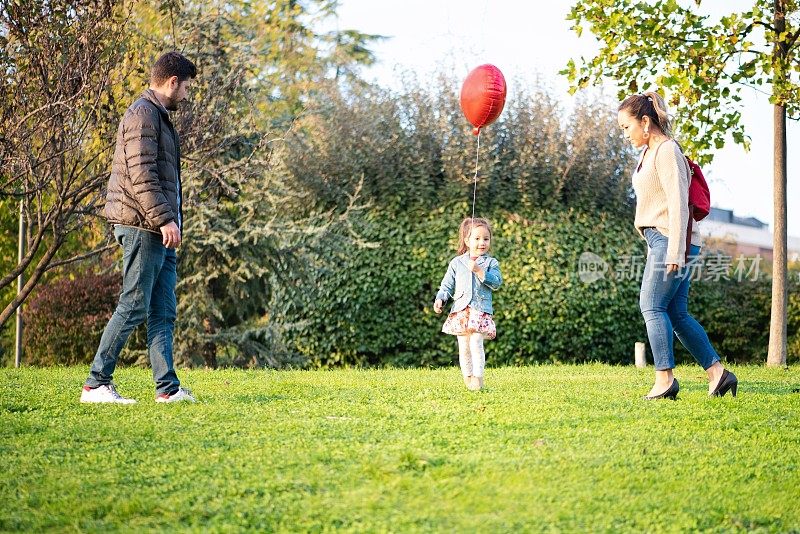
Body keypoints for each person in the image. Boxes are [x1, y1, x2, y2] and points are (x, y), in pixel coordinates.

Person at [80, 52, 198, 404]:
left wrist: (169, 221)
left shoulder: (158, 117)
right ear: (173, 82)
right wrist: (164, 219)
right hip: (144, 225)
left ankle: (168, 388)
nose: (188, 95)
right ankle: (96, 384)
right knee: (133, 303)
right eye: (187, 87)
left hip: (159, 227)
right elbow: (141, 174)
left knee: (163, 310)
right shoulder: (143, 115)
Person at [618, 91, 738, 400]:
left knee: (652, 305)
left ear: (645, 122)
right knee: (677, 314)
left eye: (626, 127)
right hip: (662, 238)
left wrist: (675, 251)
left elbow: (678, 203)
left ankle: (664, 380)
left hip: (673, 238)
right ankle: (718, 375)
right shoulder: (648, 154)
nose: (625, 134)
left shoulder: (667, 150)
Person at [434, 217, 502, 391]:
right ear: (467, 240)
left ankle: (478, 379)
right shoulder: (457, 263)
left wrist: (480, 271)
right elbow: (447, 285)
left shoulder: (490, 262)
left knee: (476, 342)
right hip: (461, 311)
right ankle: (468, 378)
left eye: (486, 239)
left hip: (480, 311)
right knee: (464, 347)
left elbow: (496, 283)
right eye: (477, 238)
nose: (482, 243)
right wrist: (440, 299)